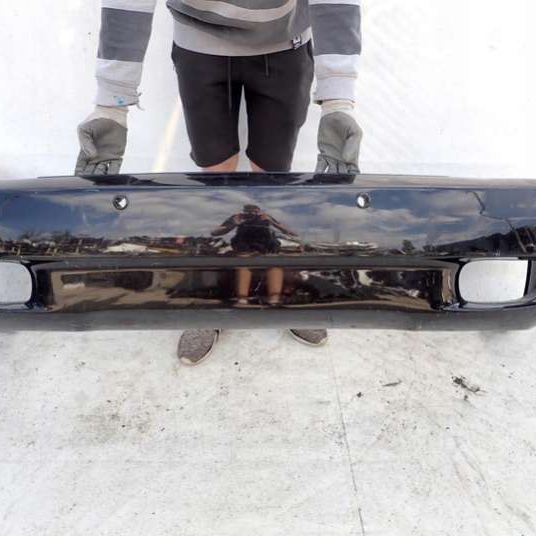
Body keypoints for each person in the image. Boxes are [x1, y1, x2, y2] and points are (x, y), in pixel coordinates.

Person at [76, 0, 363, 365]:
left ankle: (279, 292)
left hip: (285, 43)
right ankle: (212, 298)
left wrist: (338, 102)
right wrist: (111, 106)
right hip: (200, 48)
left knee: (271, 184)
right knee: (215, 185)